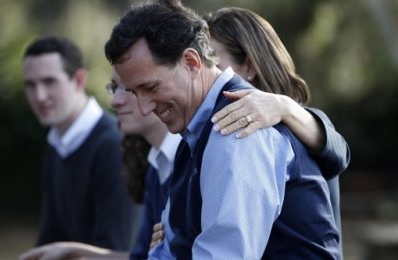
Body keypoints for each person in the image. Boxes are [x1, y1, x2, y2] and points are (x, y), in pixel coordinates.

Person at [104, 0, 340, 259]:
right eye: (134, 92)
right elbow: (169, 248)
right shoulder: (192, 135)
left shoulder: (236, 127)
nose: (144, 107)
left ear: (192, 62)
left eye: (150, 87)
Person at [22, 36, 135, 250]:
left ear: (80, 80)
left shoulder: (114, 148)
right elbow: (49, 240)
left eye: (49, 82)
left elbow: (116, 249)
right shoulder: (58, 144)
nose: (39, 96)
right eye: (30, 85)